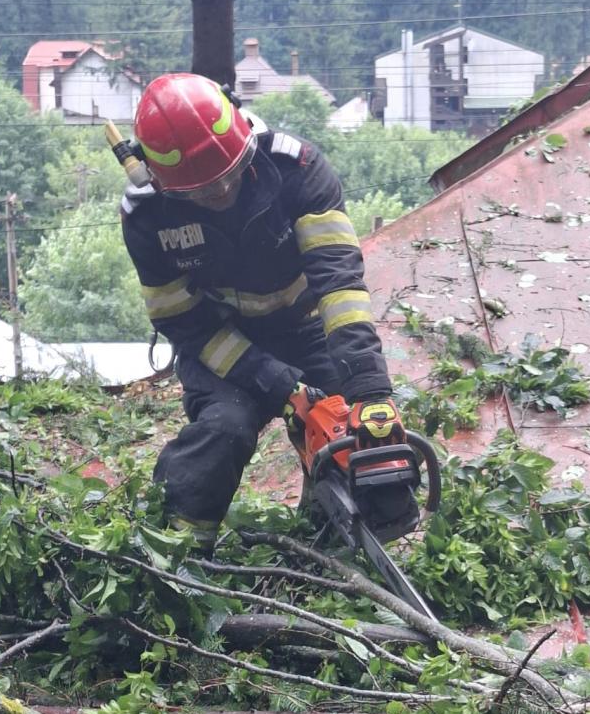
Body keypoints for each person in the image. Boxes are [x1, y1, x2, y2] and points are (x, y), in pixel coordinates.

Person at [119, 71, 412, 545]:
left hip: (305, 327)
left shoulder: (298, 172)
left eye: (227, 176)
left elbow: (338, 284)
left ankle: (328, 543)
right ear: (162, 181)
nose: (219, 194)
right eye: (200, 190)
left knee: (351, 432)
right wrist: (280, 385)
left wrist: (370, 388)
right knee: (225, 427)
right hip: (219, 343)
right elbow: (183, 324)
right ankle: (179, 551)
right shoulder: (148, 219)